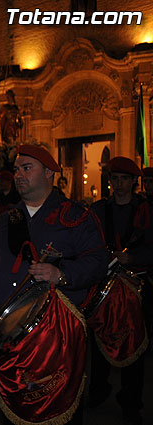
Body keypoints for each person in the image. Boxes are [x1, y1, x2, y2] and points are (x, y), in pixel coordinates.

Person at [0, 145, 108, 425]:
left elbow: (97, 261)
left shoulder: (75, 217)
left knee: (59, 409)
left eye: (27, 168)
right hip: (9, 338)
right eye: (17, 169)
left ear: (49, 173)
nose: (18, 175)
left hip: (55, 339)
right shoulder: (5, 220)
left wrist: (61, 273)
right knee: (17, 411)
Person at [87, 157, 150, 425]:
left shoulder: (147, 209)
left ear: (134, 182)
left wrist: (132, 258)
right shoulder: (99, 209)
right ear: (110, 181)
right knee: (98, 340)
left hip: (137, 286)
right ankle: (99, 389)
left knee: (134, 344)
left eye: (125, 179)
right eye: (115, 179)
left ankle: (131, 401)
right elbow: (87, 243)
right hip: (105, 285)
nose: (120, 184)